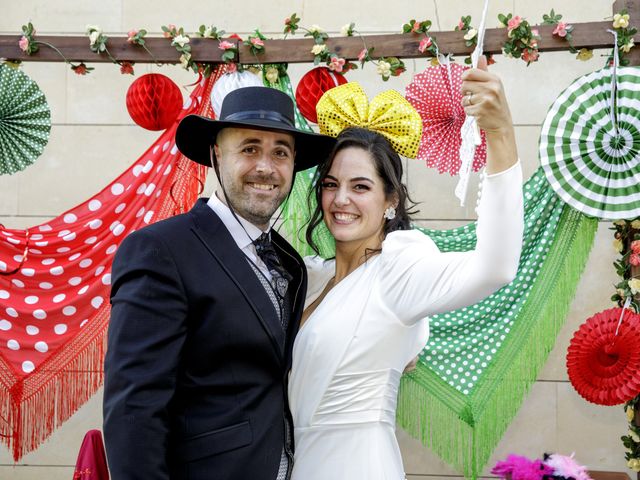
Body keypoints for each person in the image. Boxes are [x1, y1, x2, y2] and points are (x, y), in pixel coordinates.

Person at [288, 58, 524, 479]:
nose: (341, 199)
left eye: (360, 187)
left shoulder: (398, 268)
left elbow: (496, 267)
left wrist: (501, 133)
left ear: (391, 200)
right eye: (330, 184)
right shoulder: (310, 276)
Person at [102, 86, 335, 480]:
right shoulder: (161, 250)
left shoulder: (289, 262)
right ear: (215, 155)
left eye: (281, 151)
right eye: (249, 148)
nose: (266, 166)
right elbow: (133, 412)